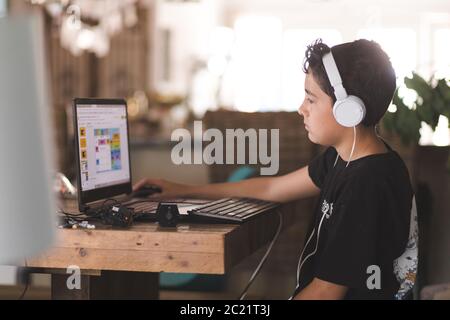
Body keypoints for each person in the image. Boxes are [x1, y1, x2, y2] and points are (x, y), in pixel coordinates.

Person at [134, 39, 418, 300]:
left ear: (348, 110)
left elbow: (325, 293)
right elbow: (272, 188)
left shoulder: (368, 182)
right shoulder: (342, 158)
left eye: (311, 99)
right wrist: (183, 191)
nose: (300, 109)